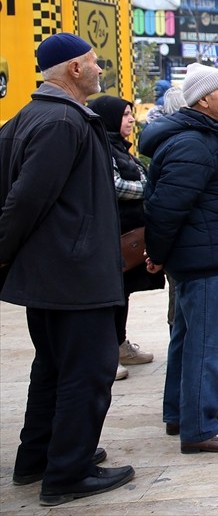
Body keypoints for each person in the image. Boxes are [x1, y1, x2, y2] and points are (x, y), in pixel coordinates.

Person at [0, 33, 135, 506]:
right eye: (94, 62)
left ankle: (38, 459)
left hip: (54, 272)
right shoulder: (61, 119)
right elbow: (24, 199)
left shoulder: (30, 116)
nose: (100, 69)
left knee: (53, 369)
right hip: (73, 274)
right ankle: (69, 472)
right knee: (89, 370)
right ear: (74, 69)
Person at [140, 62, 218, 454]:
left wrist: (161, 252)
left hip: (198, 255)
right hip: (203, 258)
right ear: (204, 99)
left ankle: (180, 413)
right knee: (208, 343)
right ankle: (200, 428)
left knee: (187, 338)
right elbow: (166, 208)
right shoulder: (192, 143)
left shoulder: (199, 137)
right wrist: (158, 251)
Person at [87, 95, 165, 381]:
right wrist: (147, 187)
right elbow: (115, 185)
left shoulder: (121, 148)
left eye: (132, 114)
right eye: (125, 115)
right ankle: (104, 354)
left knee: (123, 292)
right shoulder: (101, 147)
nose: (132, 120)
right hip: (112, 234)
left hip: (129, 235)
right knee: (110, 295)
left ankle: (119, 345)